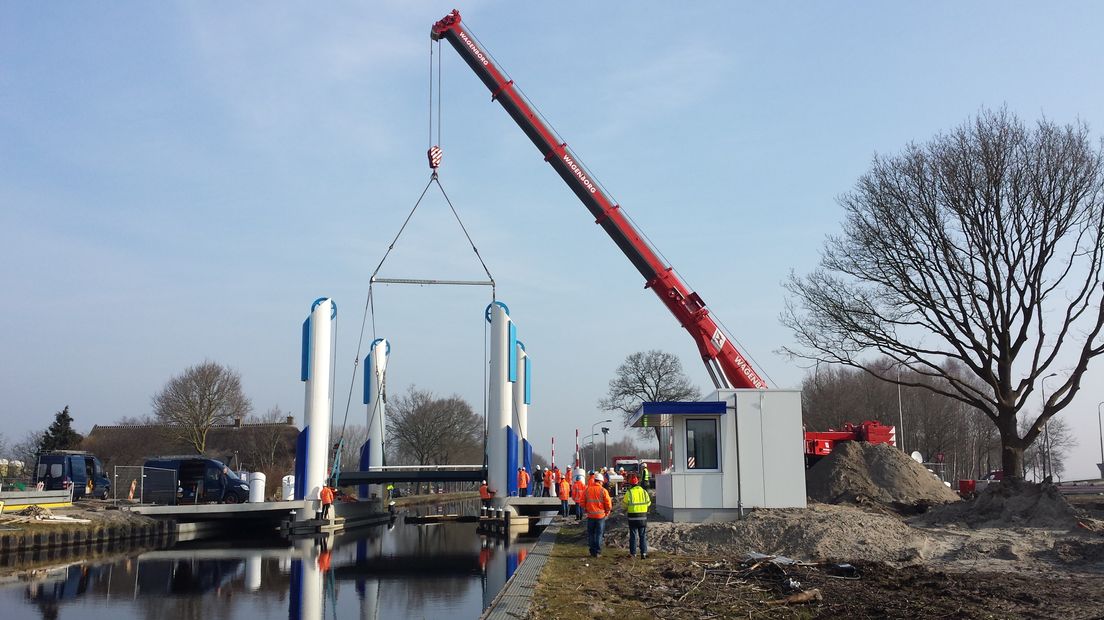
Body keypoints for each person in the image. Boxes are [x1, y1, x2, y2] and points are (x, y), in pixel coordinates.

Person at [582, 473, 612, 557]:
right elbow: (608, 504)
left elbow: (582, 501)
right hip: (600, 516)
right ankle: (598, 552)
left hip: (590, 516)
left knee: (591, 533)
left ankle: (592, 551)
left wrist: (586, 508)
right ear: (601, 482)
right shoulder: (603, 491)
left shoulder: (587, 490)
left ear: (595, 480)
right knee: (599, 534)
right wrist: (607, 511)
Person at [623, 473, 651, 559]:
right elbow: (649, 503)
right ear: (638, 482)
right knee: (642, 535)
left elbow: (624, 505)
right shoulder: (644, 491)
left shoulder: (629, 492)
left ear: (630, 483)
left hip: (632, 517)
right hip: (643, 516)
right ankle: (644, 553)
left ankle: (633, 553)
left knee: (633, 535)